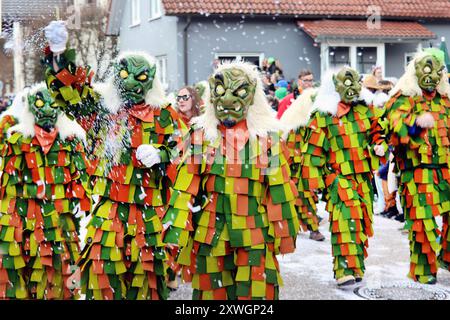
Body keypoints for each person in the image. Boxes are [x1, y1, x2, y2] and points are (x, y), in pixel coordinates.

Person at [42, 21, 187, 300]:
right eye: (125, 75)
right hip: (109, 210)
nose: (132, 83)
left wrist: (161, 152)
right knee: (103, 274)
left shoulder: (165, 113)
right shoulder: (102, 111)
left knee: (146, 282)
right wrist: (59, 55)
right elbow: (69, 93)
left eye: (141, 77)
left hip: (149, 213)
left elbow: (185, 148)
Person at [163, 61, 299, 300]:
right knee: (211, 292)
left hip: (255, 230)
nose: (227, 100)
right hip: (211, 231)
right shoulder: (201, 136)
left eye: (238, 91)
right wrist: (176, 227)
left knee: (256, 292)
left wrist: (284, 233)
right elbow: (185, 186)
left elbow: (278, 192)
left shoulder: (269, 139)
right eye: (221, 90)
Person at [0, 84, 91, 299]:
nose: (48, 109)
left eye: (53, 103)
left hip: (59, 219)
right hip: (23, 219)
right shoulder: (18, 141)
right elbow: (9, 182)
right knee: (22, 269)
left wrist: (79, 198)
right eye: (41, 103)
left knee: (58, 271)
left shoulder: (70, 141)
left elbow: (80, 176)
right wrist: (33, 190)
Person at [301, 67, 387, 287]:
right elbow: (313, 151)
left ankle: (355, 266)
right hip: (339, 179)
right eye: (345, 83)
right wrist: (312, 182)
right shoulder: (323, 115)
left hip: (363, 179)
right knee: (344, 222)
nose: (350, 88)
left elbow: (379, 131)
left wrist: (379, 144)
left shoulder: (365, 110)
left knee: (360, 223)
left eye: (353, 83)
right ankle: (343, 270)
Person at [385, 48, 450, 284]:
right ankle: (423, 269)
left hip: (446, 169)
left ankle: (447, 257)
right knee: (422, 223)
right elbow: (394, 124)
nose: (432, 76)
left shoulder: (446, 101)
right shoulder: (404, 97)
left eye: (437, 71)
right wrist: (415, 124)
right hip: (418, 171)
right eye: (427, 69)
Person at [280, 88, 326, 241]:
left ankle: (310, 227)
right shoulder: (295, 122)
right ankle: (309, 228)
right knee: (297, 196)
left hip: (307, 164)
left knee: (307, 196)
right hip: (295, 165)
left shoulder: (316, 120)